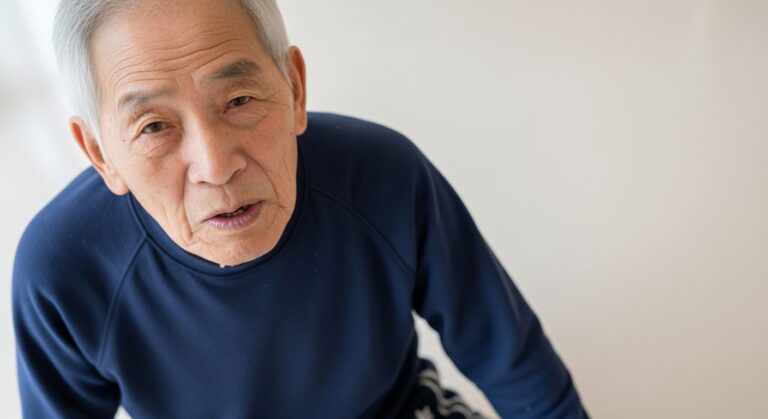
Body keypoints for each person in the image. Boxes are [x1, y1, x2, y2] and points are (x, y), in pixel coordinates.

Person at [11, 0, 589, 418]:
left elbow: (511, 359)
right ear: (99, 153)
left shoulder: (385, 176)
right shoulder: (61, 267)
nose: (216, 165)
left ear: (294, 88)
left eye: (239, 100)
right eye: (155, 126)